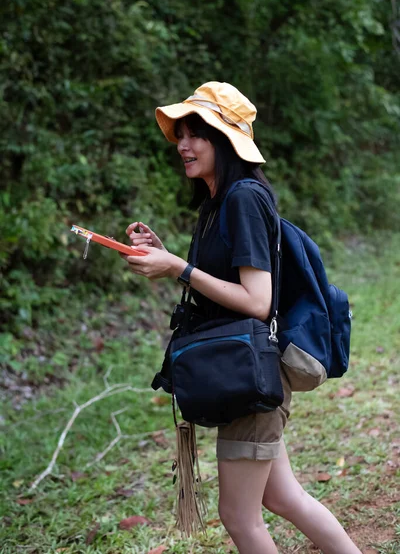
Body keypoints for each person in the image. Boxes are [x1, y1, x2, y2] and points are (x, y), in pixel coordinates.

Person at [122, 82, 362, 554]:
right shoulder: (216, 204)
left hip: (251, 374)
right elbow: (219, 288)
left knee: (239, 516)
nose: (183, 145)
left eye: (198, 135)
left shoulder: (243, 199)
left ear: (228, 141)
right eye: (181, 135)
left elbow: (256, 300)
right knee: (282, 496)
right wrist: (169, 257)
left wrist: (179, 269)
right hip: (243, 368)